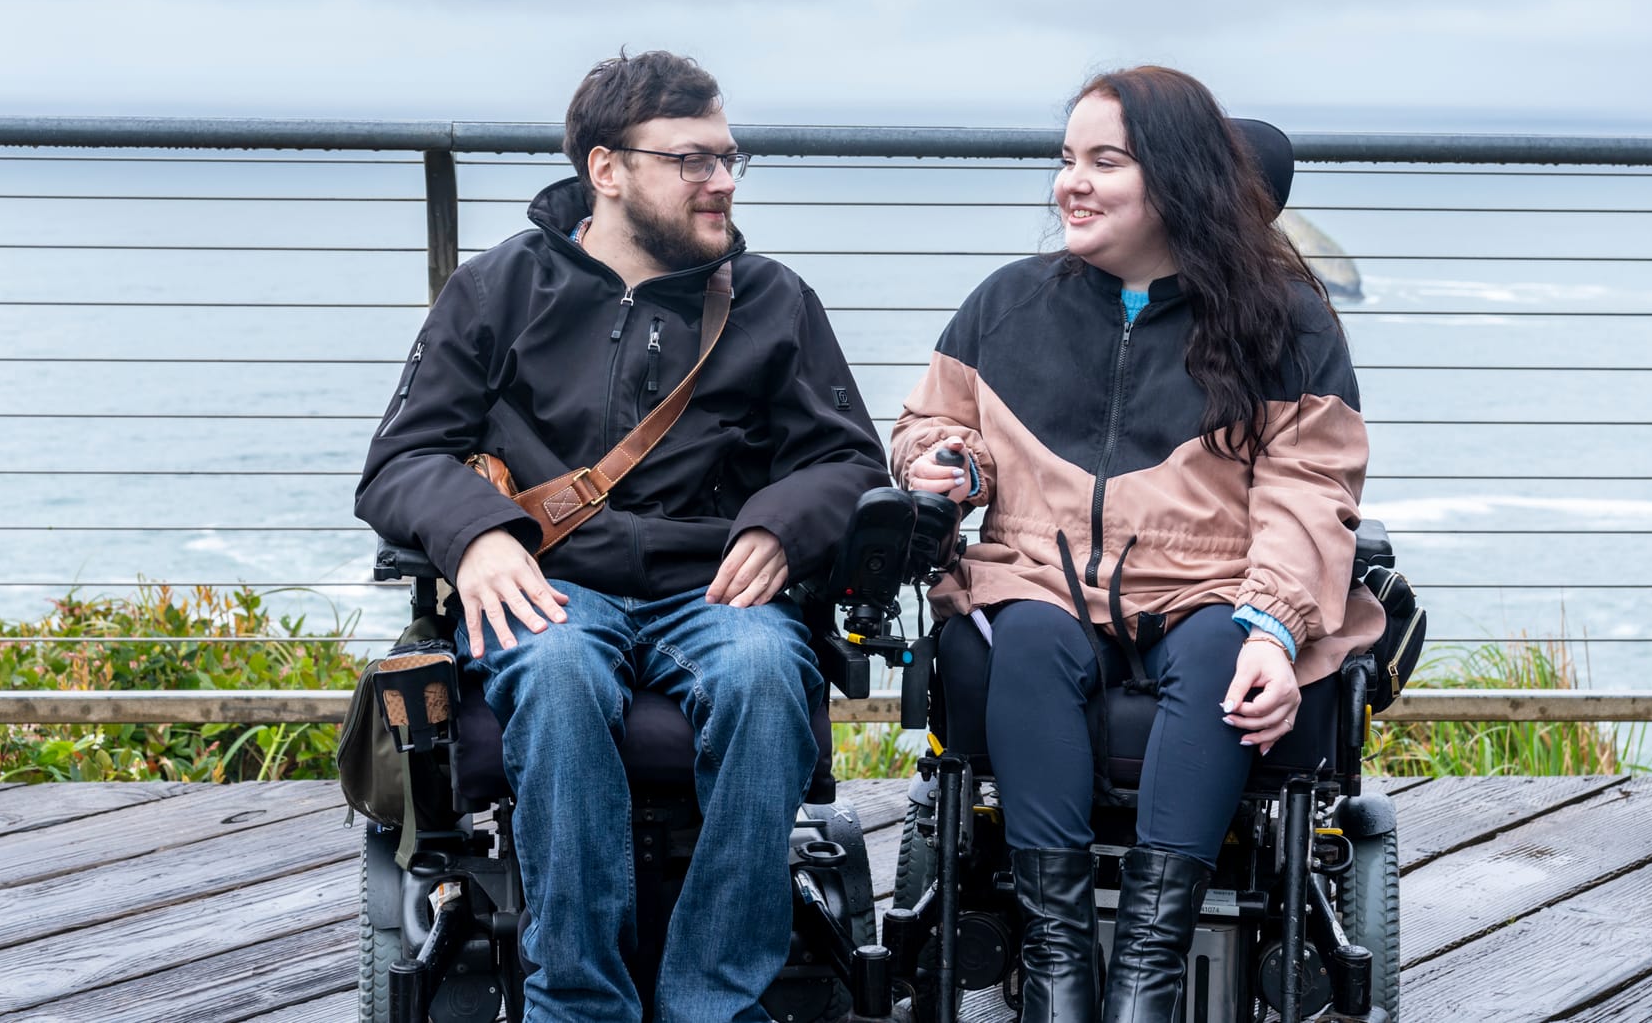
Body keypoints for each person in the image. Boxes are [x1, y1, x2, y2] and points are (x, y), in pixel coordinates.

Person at [356, 50, 888, 1023]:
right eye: (692, 160)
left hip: (714, 585)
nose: (721, 180)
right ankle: (579, 1001)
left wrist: (780, 521)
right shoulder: (498, 291)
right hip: (550, 580)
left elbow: (850, 461)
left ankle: (711, 999)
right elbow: (399, 462)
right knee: (556, 677)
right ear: (607, 169)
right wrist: (477, 537)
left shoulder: (770, 300)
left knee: (766, 676)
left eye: (728, 158)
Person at [890, 65, 1384, 1023]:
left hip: (1212, 581)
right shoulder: (1006, 305)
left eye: (1104, 160)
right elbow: (932, 424)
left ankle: (1147, 977)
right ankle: (1058, 967)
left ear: (1178, 176)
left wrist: (1275, 629)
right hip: (1037, 573)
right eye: (1067, 158)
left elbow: (1310, 491)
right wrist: (945, 462)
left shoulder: (1285, 324)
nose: (1070, 181)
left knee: (1218, 658)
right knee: (1023, 641)